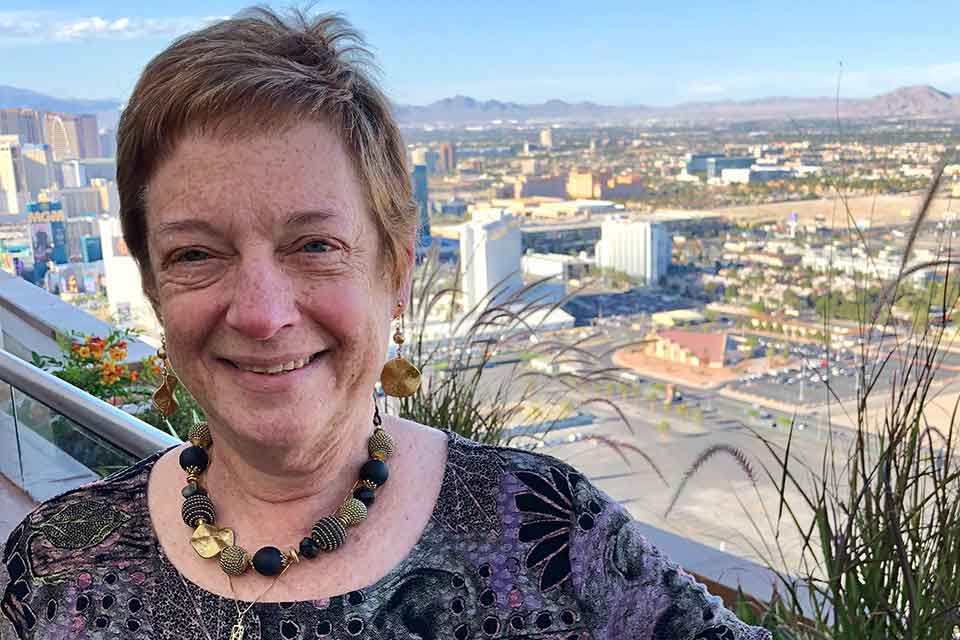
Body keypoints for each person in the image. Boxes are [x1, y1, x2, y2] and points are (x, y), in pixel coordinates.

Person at [1, 8, 771, 640]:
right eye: (197, 253)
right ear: (154, 286)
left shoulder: (548, 535)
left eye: (315, 246)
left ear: (394, 275)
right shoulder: (55, 568)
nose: (263, 314)